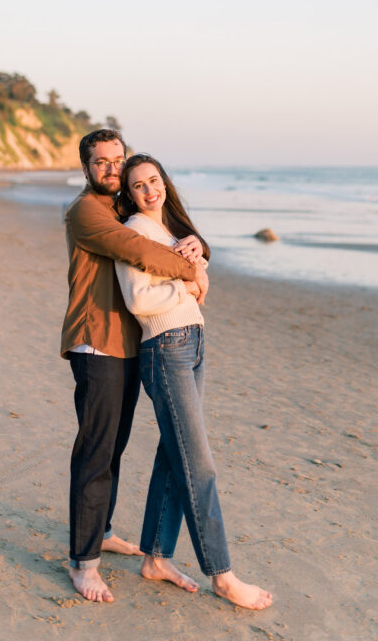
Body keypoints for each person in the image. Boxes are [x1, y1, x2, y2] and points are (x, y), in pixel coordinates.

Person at [115, 153, 273, 611]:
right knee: (198, 464)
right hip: (166, 347)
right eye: (139, 185)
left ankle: (156, 559)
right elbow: (138, 299)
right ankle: (222, 575)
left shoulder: (169, 231)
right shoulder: (136, 231)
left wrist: (196, 263)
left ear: (165, 182)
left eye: (154, 180)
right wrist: (190, 284)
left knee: (174, 452)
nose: (149, 190)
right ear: (129, 194)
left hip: (192, 340)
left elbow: (201, 282)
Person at [61, 129, 209, 603]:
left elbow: (165, 234)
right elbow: (138, 251)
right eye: (100, 162)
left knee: (115, 446)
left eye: (115, 160)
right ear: (85, 167)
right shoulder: (87, 211)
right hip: (96, 344)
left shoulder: (121, 209)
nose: (109, 169)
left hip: (127, 344)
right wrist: (193, 270)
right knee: (95, 452)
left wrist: (198, 251)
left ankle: (101, 530)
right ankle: (83, 562)